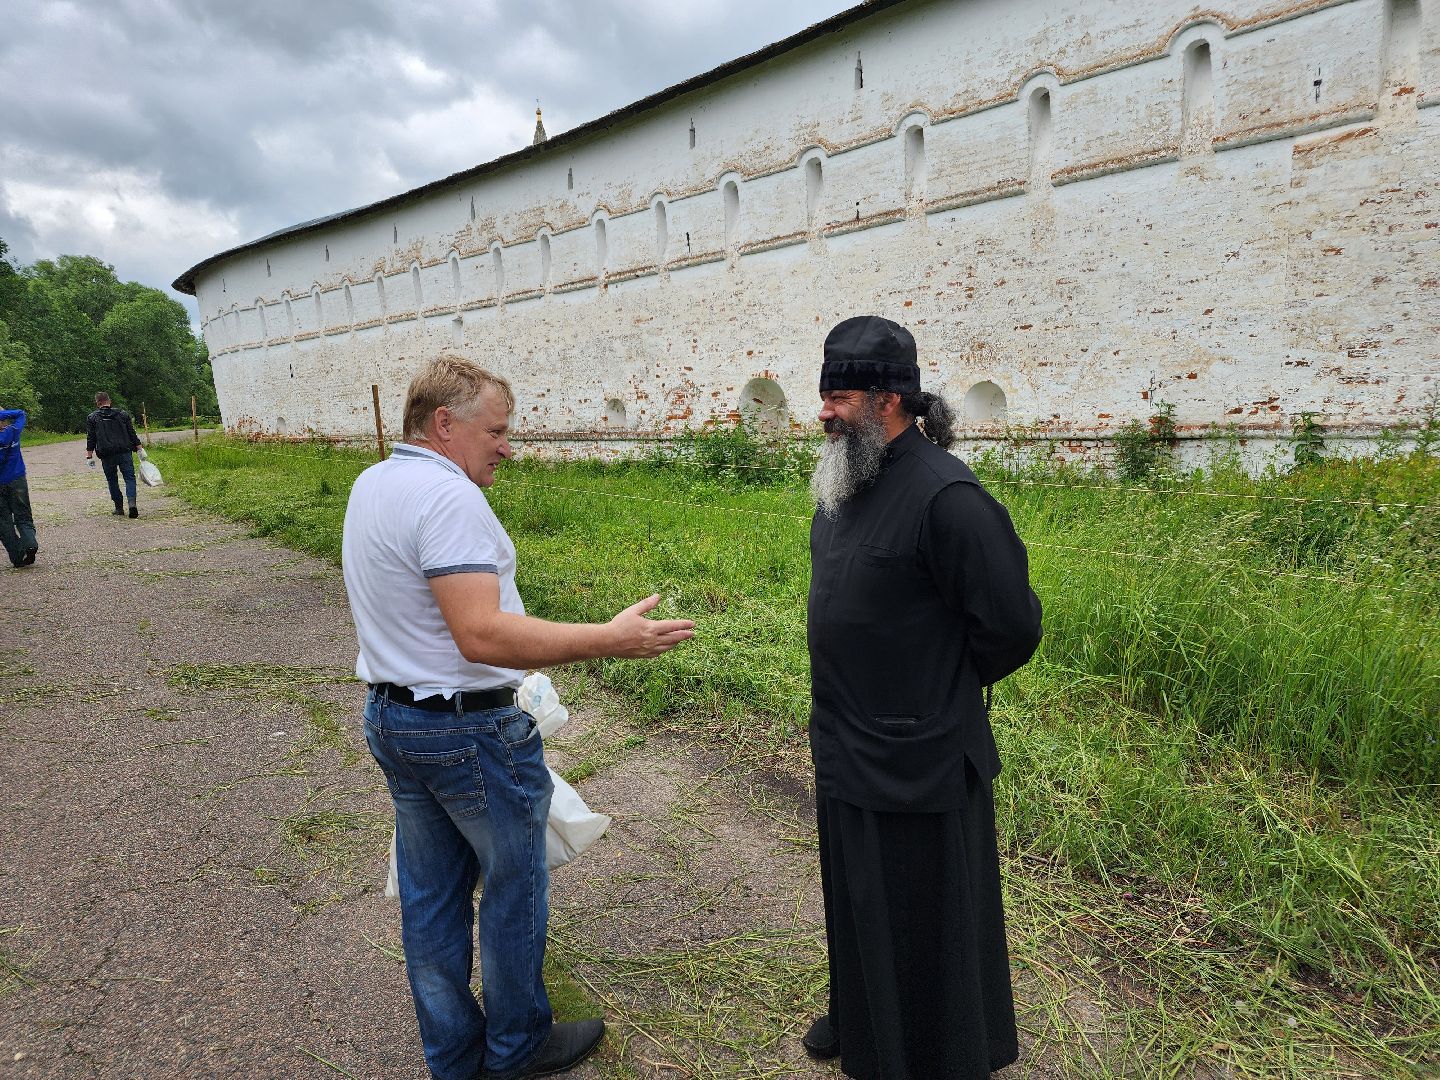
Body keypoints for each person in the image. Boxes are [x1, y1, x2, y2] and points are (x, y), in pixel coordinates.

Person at [342, 354, 695, 1080]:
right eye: (497, 430)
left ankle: (452, 1054)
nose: (508, 445)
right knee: (513, 888)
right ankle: (516, 1048)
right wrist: (609, 640)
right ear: (445, 424)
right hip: (466, 731)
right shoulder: (450, 500)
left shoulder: (374, 482)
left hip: (393, 718)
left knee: (431, 897)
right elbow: (481, 634)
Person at [803, 316, 1043, 1080]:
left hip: (918, 755)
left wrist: (931, 689)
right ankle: (861, 1018)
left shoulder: (950, 498)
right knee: (856, 895)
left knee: (918, 912)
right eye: (825, 395)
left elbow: (1009, 627)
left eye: (838, 397)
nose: (824, 413)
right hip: (845, 739)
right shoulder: (846, 483)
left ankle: (927, 1055)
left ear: (889, 401)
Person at [85, 392, 143, 517]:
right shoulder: (122, 414)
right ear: (109, 401)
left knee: (112, 480)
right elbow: (131, 433)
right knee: (129, 478)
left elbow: (91, 438)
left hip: (106, 453)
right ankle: (132, 504)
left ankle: (119, 508)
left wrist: (89, 456)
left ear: (97, 403)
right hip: (124, 450)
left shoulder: (92, 418)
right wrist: (139, 448)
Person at [0, 407, 38, 568]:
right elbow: (21, 413)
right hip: (17, 480)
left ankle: (17, 556)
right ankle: (30, 543)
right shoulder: (13, 431)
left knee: (3, 522)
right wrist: (2, 414)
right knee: (23, 515)